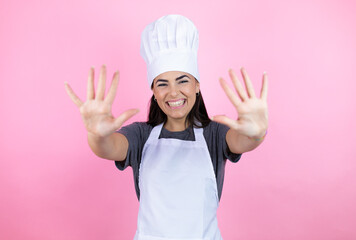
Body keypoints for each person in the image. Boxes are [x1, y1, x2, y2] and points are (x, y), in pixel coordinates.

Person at [65, 14, 268, 240]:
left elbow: (243, 141)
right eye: (162, 84)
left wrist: (257, 133)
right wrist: (96, 135)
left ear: (197, 85)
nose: (173, 92)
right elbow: (108, 147)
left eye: (182, 81)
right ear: (154, 91)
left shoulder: (215, 135)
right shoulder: (140, 135)